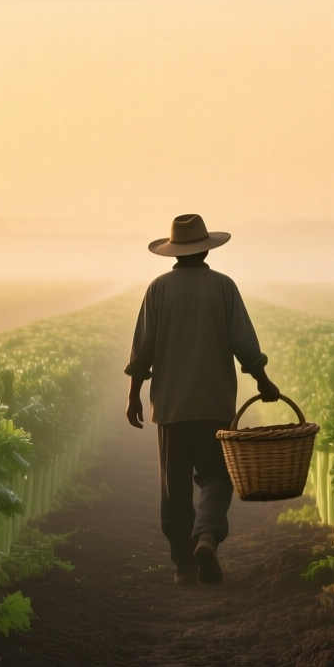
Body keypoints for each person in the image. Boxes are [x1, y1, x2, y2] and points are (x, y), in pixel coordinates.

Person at [125, 214, 281, 585]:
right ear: (206, 248)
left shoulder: (158, 289)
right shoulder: (223, 287)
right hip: (216, 404)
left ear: (174, 252)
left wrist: (134, 396)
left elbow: (142, 350)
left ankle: (183, 566)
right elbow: (244, 343)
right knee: (216, 476)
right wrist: (263, 382)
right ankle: (207, 536)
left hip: (171, 406)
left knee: (174, 487)